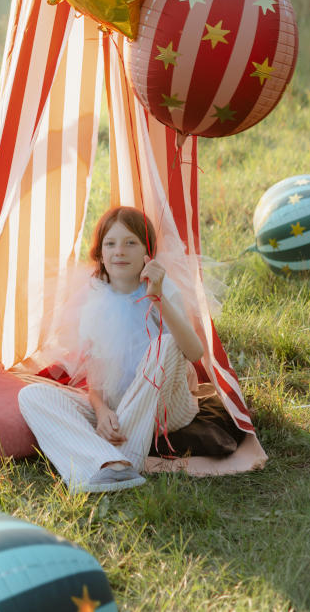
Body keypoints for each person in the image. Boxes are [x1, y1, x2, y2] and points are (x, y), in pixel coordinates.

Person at [18, 206, 205, 493]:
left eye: (131, 242)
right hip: (117, 409)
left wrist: (157, 299)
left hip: (166, 406)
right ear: (101, 254)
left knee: (165, 343)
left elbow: (194, 352)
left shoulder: (160, 289)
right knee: (32, 395)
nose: (120, 251)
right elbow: (96, 376)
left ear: (147, 252)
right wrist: (102, 410)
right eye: (111, 243)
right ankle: (114, 464)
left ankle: (117, 459)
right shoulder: (94, 297)